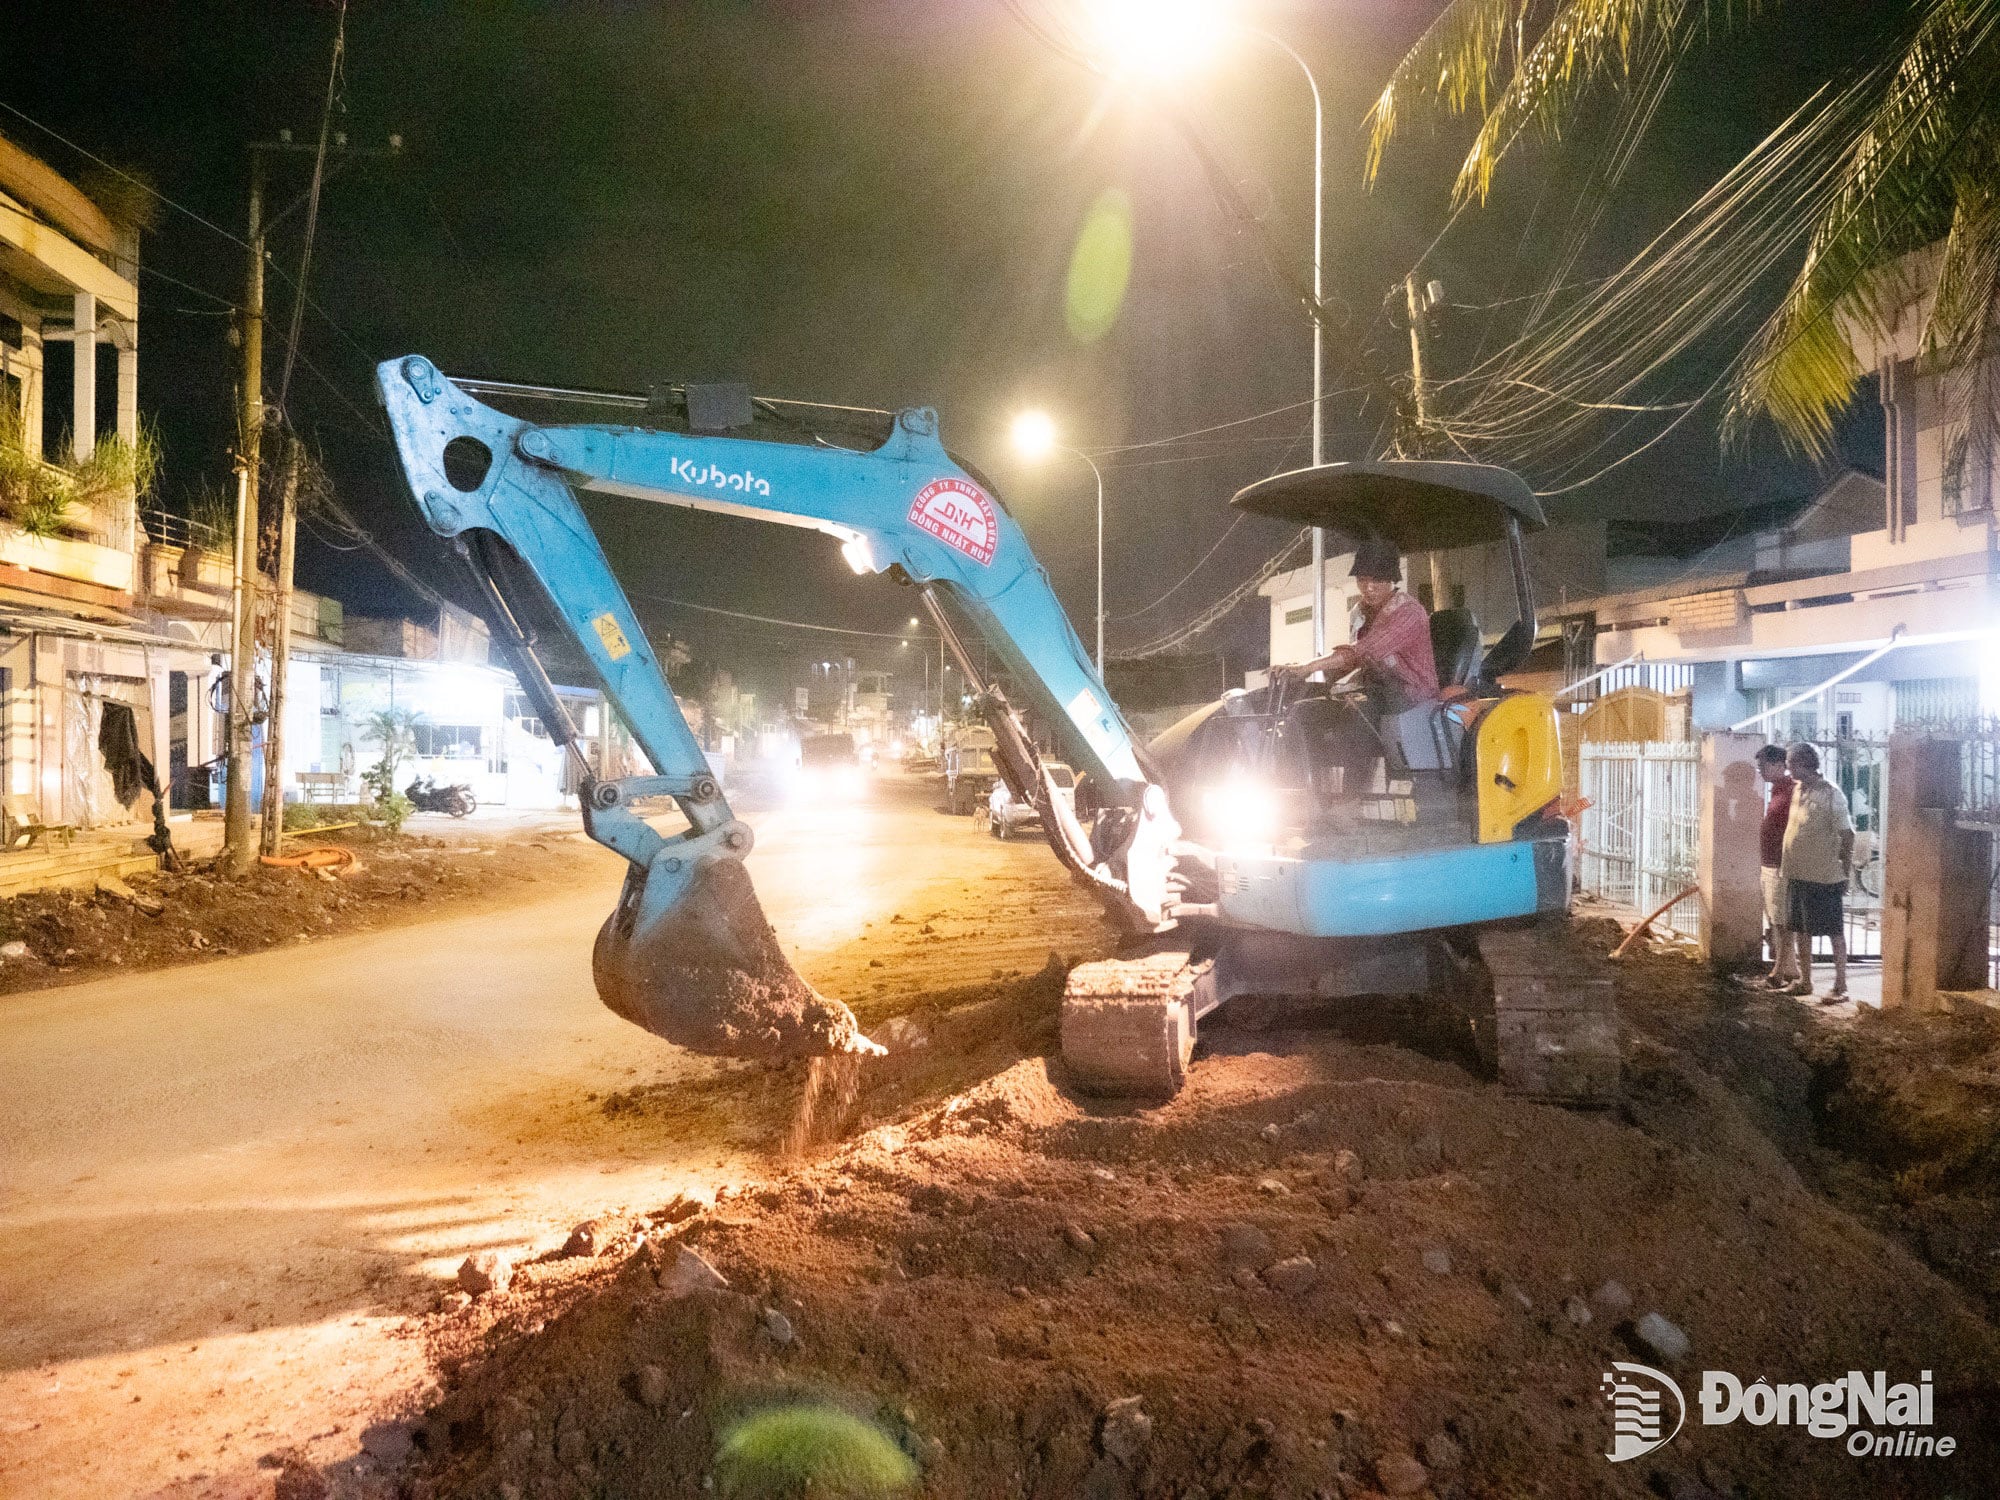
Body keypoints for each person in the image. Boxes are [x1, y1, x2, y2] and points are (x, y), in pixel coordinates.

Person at [1272, 537, 1440, 708]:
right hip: (1378, 689)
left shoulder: (1409, 612)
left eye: (1377, 580)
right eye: (1362, 580)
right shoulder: (1359, 611)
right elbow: (1352, 662)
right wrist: (1304, 674)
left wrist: (1308, 666)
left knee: (1346, 712)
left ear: (1392, 579)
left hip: (1413, 696)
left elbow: (1365, 651)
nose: (1369, 587)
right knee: (1306, 707)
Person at [1779, 741, 1854, 1001]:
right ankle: (1806, 980)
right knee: (1801, 929)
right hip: (1797, 872)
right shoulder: (1798, 789)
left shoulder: (1831, 794)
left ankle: (1841, 985)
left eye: (1790, 764)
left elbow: (1847, 835)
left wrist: (1845, 870)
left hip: (1824, 875)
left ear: (1802, 764)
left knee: (1834, 931)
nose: (1788, 770)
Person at [1754, 744, 1799, 989]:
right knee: (1775, 918)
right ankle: (1788, 967)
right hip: (1770, 862)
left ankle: (1780, 971)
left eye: (1763, 766)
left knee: (1781, 920)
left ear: (1779, 765)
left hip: (1781, 864)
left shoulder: (1791, 791)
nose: (1760, 770)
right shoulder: (1778, 790)